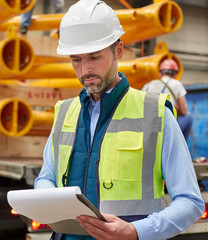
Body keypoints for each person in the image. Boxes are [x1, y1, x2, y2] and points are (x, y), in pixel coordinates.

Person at [34, 1, 205, 240]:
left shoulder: (155, 113)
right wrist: (45, 198)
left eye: (95, 56)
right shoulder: (64, 112)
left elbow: (191, 201)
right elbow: (46, 177)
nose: (85, 70)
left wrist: (136, 231)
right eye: (76, 59)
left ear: (119, 50)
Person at [142, 59, 193, 141]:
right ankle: (181, 147)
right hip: (165, 126)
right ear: (176, 74)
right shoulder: (177, 84)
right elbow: (184, 111)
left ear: (159, 73)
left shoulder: (149, 84)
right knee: (188, 117)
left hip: (148, 124)